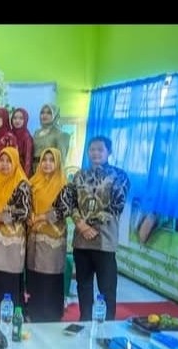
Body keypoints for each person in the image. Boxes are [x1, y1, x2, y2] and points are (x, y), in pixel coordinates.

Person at [54, 136, 130, 321]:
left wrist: (92, 225)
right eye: (92, 150)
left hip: (104, 240)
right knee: (83, 285)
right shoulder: (79, 175)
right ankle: (85, 320)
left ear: (109, 152)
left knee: (107, 287)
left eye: (100, 150)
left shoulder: (119, 176)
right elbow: (69, 201)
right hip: (82, 241)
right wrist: (80, 224)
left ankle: (108, 324)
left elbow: (117, 205)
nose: (96, 153)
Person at [0, 147, 32, 321]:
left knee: (9, 274)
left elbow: (25, 211)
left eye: (8, 161)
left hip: (13, 237)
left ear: (15, 163)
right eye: (1, 160)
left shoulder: (22, 183)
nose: (4, 165)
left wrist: (1, 217)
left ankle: (9, 314)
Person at [25, 147, 67, 322]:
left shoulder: (63, 184)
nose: (47, 164)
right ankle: (33, 312)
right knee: (34, 273)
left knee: (50, 274)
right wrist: (29, 216)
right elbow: (26, 204)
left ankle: (50, 314)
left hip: (52, 238)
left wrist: (41, 217)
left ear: (57, 163)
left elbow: (64, 210)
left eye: (51, 160)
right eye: (44, 160)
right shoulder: (33, 182)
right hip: (34, 236)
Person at [32, 103, 70, 173]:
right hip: (34, 170)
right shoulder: (37, 132)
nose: (45, 115)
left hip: (49, 170)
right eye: (42, 112)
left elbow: (61, 160)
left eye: (49, 113)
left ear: (55, 115)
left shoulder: (60, 134)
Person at [10, 107, 35, 177]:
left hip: (21, 173)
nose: (17, 121)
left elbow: (28, 160)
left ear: (25, 120)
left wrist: (24, 178)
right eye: (15, 118)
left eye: (21, 118)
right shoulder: (9, 134)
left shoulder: (27, 137)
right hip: (8, 170)